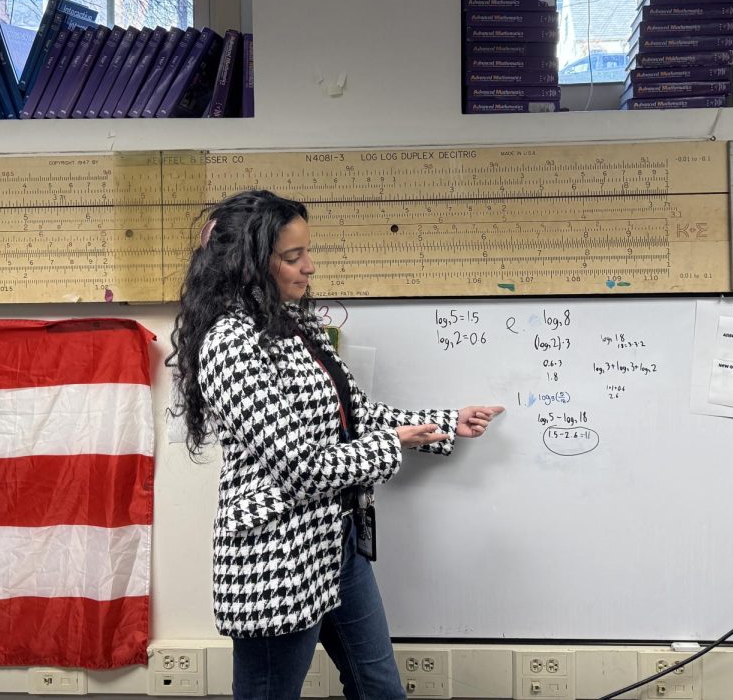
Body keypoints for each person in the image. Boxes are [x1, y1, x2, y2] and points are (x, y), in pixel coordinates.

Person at [169, 189, 504, 698]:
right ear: (249, 263)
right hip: (275, 557)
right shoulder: (229, 344)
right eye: (292, 256)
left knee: (380, 690)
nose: (309, 266)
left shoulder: (297, 323)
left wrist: (443, 423)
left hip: (336, 538)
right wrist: (393, 444)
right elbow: (301, 465)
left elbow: (354, 414)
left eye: (308, 251)